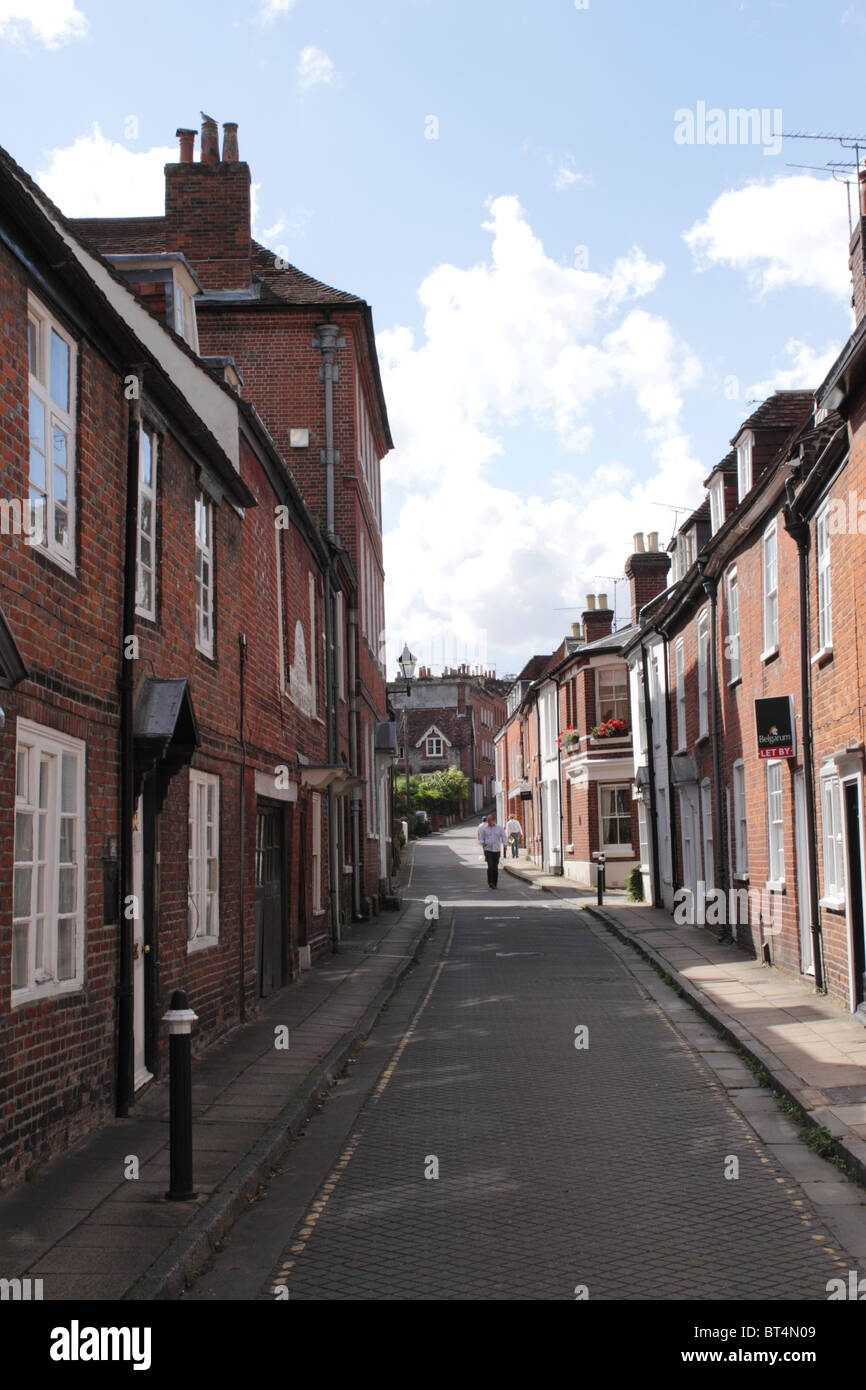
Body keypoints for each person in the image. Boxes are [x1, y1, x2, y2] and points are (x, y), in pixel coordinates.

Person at [477, 813, 508, 888]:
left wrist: (505, 844)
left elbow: (503, 836)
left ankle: (494, 883)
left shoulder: (499, 828)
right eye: (487, 820)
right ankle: (490, 882)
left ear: (493, 820)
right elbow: (481, 838)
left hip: (496, 850)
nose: (488, 821)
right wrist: (482, 842)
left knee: (495, 868)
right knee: (490, 866)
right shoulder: (485, 829)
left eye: (489, 820)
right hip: (488, 849)